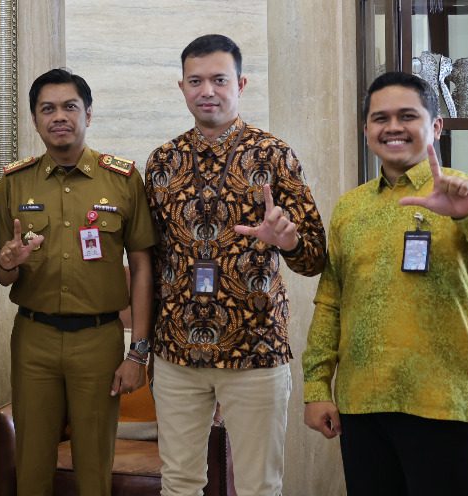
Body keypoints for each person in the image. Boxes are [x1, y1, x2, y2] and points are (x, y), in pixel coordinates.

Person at [303, 71, 468, 496]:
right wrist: (316, 386)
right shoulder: (350, 208)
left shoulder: (467, 190)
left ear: (436, 126)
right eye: (380, 118)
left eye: (407, 116)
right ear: (366, 130)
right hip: (362, 403)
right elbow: (330, 303)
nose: (392, 127)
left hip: (442, 401)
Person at [143, 34, 326, 495]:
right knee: (179, 483)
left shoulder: (274, 155)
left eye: (219, 80)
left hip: (255, 348)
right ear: (181, 87)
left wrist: (287, 241)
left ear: (240, 84)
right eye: (196, 81)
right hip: (177, 350)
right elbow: (150, 257)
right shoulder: (161, 161)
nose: (207, 91)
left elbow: (314, 258)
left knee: (259, 486)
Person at [0, 68, 155, 495]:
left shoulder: (121, 179)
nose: (59, 116)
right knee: (31, 464)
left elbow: (142, 267)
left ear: (89, 114)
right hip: (34, 338)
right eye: (48, 109)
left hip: (98, 341)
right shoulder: (14, 182)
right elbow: (3, 275)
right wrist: (8, 262)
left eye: (70, 107)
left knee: (94, 466)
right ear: (35, 119)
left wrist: (138, 352)